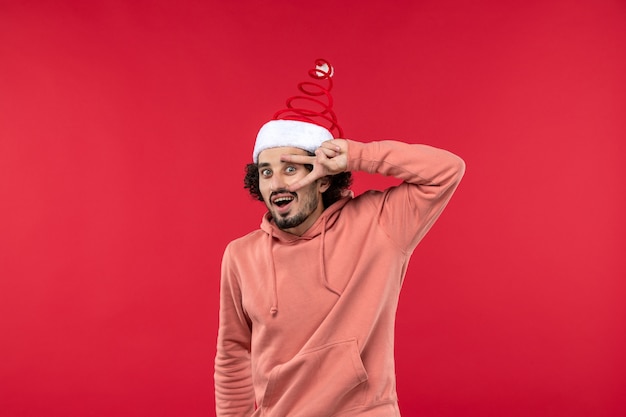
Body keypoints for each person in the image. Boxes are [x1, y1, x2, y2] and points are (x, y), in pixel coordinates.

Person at [214, 60, 465, 417]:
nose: (277, 183)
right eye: (266, 172)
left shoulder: (378, 225)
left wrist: (358, 155)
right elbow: (233, 350)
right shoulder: (240, 256)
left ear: (323, 178)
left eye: (291, 168)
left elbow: (446, 171)